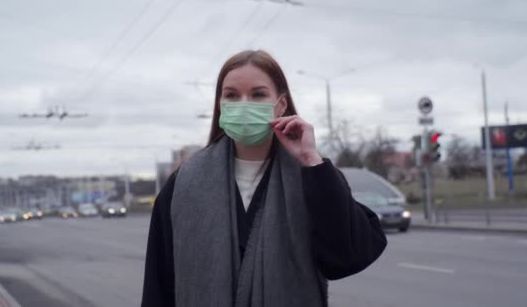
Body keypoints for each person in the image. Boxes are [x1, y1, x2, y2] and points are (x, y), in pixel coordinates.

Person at [142, 50, 387, 307]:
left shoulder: (313, 177)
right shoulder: (184, 183)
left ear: (280, 105)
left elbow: (348, 256)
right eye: (232, 96)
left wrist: (312, 162)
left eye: (258, 94)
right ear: (220, 105)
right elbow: (159, 284)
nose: (243, 104)